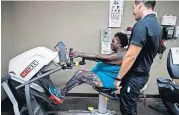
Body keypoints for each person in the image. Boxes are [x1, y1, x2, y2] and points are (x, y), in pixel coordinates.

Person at [49, 32, 128, 102]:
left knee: (81, 74)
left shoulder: (118, 56)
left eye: (113, 41)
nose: (111, 43)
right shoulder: (118, 53)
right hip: (106, 77)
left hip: (109, 82)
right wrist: (83, 57)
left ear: (120, 44)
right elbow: (100, 59)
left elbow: (98, 57)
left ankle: (60, 94)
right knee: (79, 78)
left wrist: (80, 54)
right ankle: (62, 92)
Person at [114, 1, 161, 115]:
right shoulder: (156, 24)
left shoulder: (142, 24)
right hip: (143, 74)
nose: (133, 11)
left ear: (140, 5)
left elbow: (130, 56)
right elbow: (160, 48)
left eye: (133, 7)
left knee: (127, 110)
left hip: (134, 77)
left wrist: (119, 78)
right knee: (130, 106)